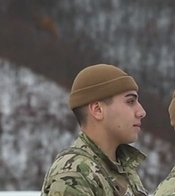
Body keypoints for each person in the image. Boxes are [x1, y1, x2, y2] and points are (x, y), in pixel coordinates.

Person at [41, 64, 148, 196]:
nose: (141, 112)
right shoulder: (74, 174)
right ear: (98, 110)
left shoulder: (122, 168)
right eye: (130, 101)